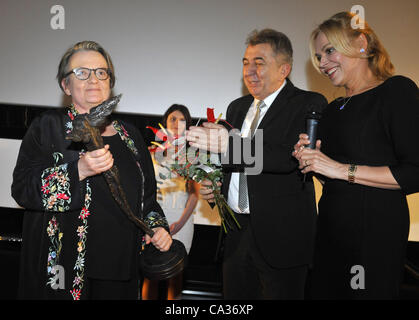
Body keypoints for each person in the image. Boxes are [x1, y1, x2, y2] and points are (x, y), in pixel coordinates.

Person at [11, 41, 172, 300]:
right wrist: (78, 171)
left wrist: (157, 229)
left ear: (110, 81)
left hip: (121, 270)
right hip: (65, 270)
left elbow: (148, 200)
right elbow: (22, 189)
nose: (93, 79)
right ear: (66, 85)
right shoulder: (47, 127)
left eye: (101, 72)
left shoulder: (130, 135)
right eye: (82, 72)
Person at [186, 29, 327, 299]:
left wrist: (229, 145)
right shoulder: (237, 108)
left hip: (282, 240)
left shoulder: (308, 104)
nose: (249, 71)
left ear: (284, 69)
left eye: (259, 63)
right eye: (245, 63)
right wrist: (213, 187)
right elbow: (232, 167)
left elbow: (287, 157)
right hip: (236, 237)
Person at [292, 12, 419, 299]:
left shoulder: (395, 91)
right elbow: (334, 179)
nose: (322, 63)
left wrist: (338, 168)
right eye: (318, 56)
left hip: (373, 236)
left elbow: (414, 171)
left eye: (329, 51)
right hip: (330, 233)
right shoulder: (333, 109)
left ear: (361, 43)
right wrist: (314, 163)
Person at [142, 104, 199, 300]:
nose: (176, 124)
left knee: (175, 274)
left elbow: (194, 195)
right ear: (164, 123)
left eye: (181, 120)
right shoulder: (151, 154)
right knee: (152, 274)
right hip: (155, 219)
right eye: (172, 119)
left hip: (181, 221)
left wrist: (179, 223)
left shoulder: (192, 157)